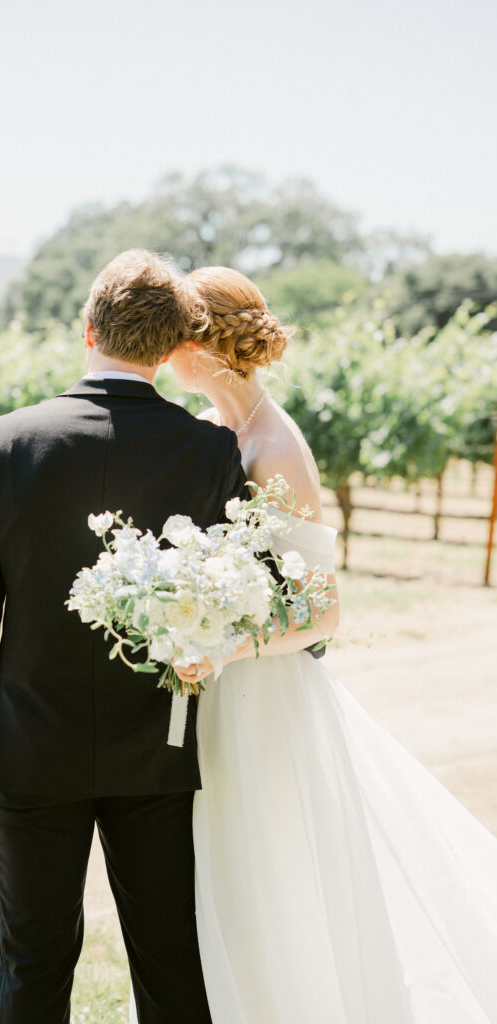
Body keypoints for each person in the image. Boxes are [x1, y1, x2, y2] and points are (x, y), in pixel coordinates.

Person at [166, 266, 497, 1023]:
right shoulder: (214, 435)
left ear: (201, 342)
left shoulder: (275, 449)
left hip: (264, 701)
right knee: (218, 878)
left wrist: (223, 649)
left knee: (273, 875)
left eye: (173, 332)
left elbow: (322, 613)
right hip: (214, 694)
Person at [0, 250, 248, 1023]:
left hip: (27, 745)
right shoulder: (211, 451)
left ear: (87, 330)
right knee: (170, 956)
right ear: (167, 347)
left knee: (32, 956)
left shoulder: (4, 443)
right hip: (160, 745)